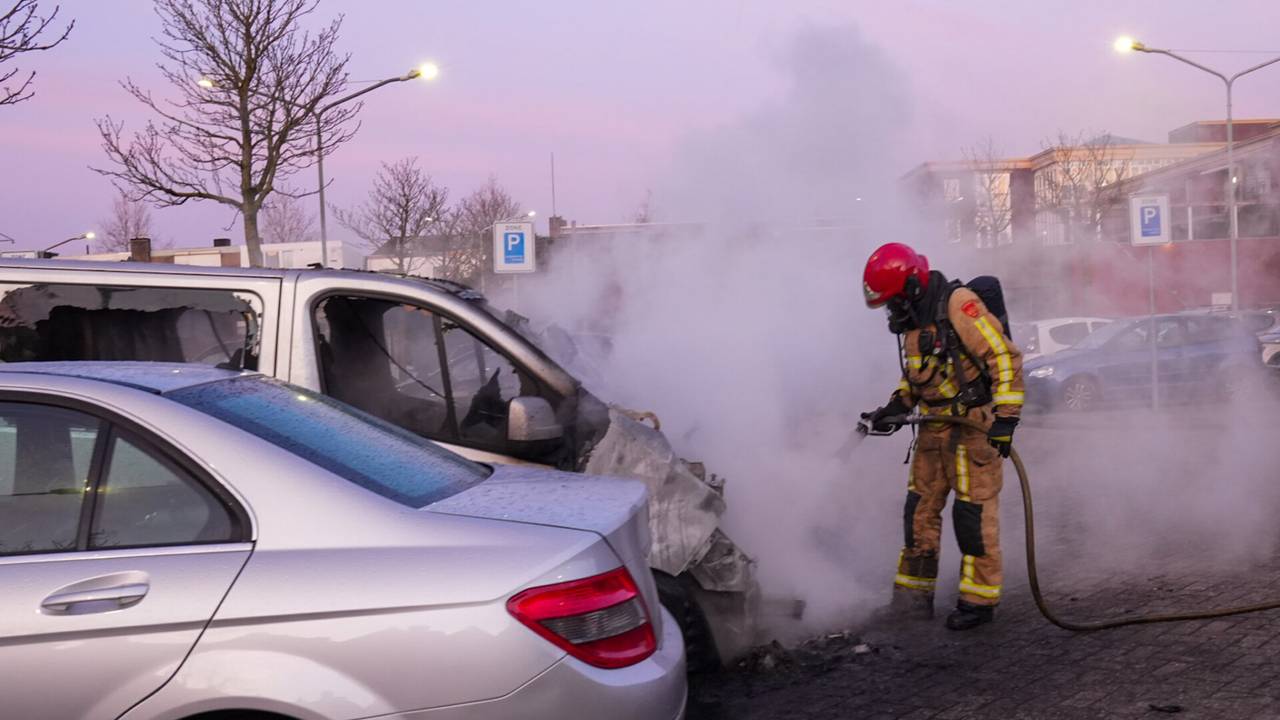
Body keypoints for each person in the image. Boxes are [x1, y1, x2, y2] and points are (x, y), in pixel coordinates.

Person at [862, 242, 1024, 630]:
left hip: (972, 428)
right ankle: (912, 600)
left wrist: (1006, 418)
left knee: (972, 517)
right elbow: (918, 377)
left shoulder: (959, 305)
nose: (892, 310)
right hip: (933, 431)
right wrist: (896, 406)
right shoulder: (915, 320)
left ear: (912, 286)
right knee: (918, 513)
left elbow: (1004, 356)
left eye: (894, 300)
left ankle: (978, 603)